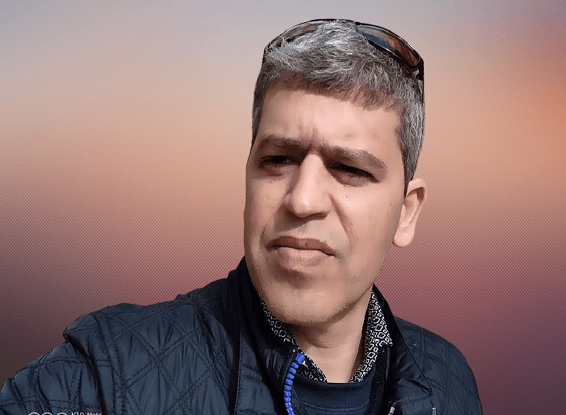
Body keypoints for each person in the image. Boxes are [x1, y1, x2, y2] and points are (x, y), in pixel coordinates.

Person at [0, 19, 482, 415]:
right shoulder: (108, 373)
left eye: (349, 169)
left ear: (406, 212)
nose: (302, 200)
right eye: (278, 159)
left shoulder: (448, 380)